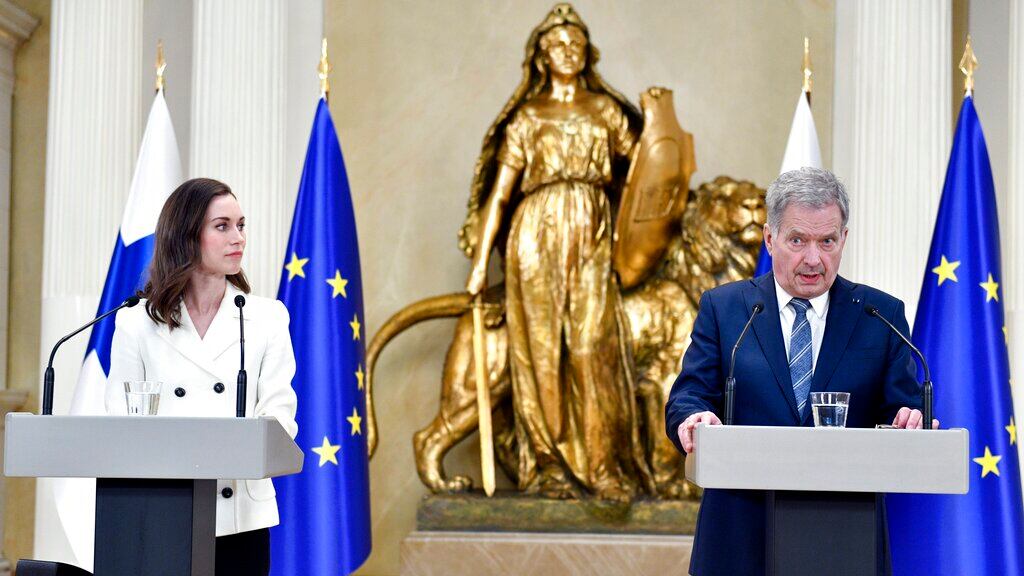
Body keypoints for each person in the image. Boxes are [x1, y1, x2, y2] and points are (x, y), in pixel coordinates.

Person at [664, 167, 935, 576]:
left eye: (827, 241)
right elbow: (689, 396)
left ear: (844, 238)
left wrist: (910, 420)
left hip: (845, 539)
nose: (813, 258)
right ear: (769, 238)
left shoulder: (880, 315)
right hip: (739, 538)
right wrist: (693, 417)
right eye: (797, 240)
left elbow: (904, 408)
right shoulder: (726, 309)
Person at [462, 3, 650, 500]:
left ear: (587, 53)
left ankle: (603, 465)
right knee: (539, 350)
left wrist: (658, 123)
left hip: (592, 228)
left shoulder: (605, 110)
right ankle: (549, 464)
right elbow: (500, 194)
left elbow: (646, 171)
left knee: (592, 346)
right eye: (558, 44)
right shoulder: (528, 117)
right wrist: (480, 264)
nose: (568, 51)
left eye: (576, 44)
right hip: (535, 232)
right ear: (542, 57)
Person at [106, 178, 297, 576]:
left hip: (240, 515)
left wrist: (235, 450)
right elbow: (119, 419)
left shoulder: (268, 317)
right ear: (186, 235)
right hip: (161, 510)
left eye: (241, 225)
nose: (238, 238)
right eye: (222, 226)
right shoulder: (135, 322)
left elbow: (280, 413)